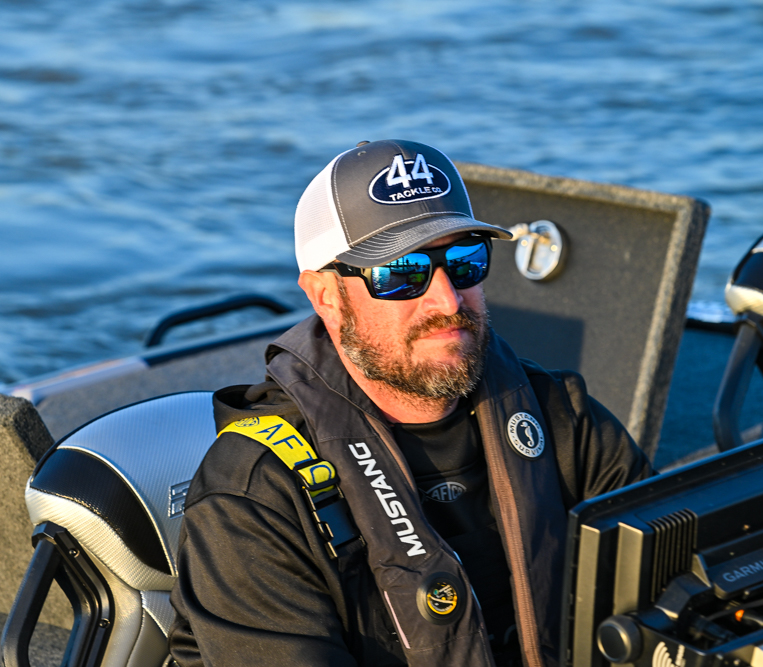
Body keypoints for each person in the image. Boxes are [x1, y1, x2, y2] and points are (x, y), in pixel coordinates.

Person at [169, 139, 651, 667]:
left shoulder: (561, 418)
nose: (447, 300)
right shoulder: (252, 496)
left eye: (465, 262)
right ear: (326, 295)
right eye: (401, 273)